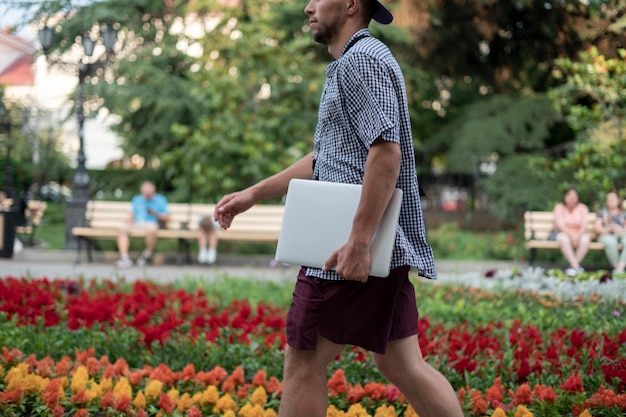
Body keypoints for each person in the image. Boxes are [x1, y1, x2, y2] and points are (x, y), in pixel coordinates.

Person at [214, 0, 464, 416]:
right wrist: (253, 194)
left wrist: (358, 242)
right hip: (369, 246)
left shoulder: (360, 62)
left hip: (343, 251)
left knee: (303, 361)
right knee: (401, 363)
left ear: (350, 4)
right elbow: (327, 158)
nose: (308, 7)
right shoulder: (355, 61)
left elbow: (385, 153)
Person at [116, 181, 170, 269]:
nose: (147, 196)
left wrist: (155, 213)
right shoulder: (137, 199)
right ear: (142, 192)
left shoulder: (160, 200)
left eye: (149, 194)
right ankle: (124, 258)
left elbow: (167, 217)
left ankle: (147, 255)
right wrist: (129, 221)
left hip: (152, 223)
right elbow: (131, 215)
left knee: (152, 229)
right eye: (145, 194)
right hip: (137, 223)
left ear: (154, 192)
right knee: (122, 228)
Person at [552, 188, 590, 276]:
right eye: (569, 196)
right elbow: (561, 226)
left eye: (574, 196)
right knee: (563, 238)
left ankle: (572, 268)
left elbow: (584, 226)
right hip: (563, 233)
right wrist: (571, 236)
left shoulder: (582, 208)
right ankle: (576, 267)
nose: (572, 198)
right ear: (565, 197)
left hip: (579, 234)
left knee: (585, 239)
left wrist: (577, 236)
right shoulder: (559, 208)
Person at [594, 190, 626, 273]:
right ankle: (617, 268)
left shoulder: (624, 213)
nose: (611, 201)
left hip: (621, 234)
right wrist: (609, 229)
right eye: (609, 200)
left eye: (613, 199)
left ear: (618, 200)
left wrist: (620, 229)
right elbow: (597, 228)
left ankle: (620, 268)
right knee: (611, 242)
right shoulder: (602, 212)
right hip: (606, 235)